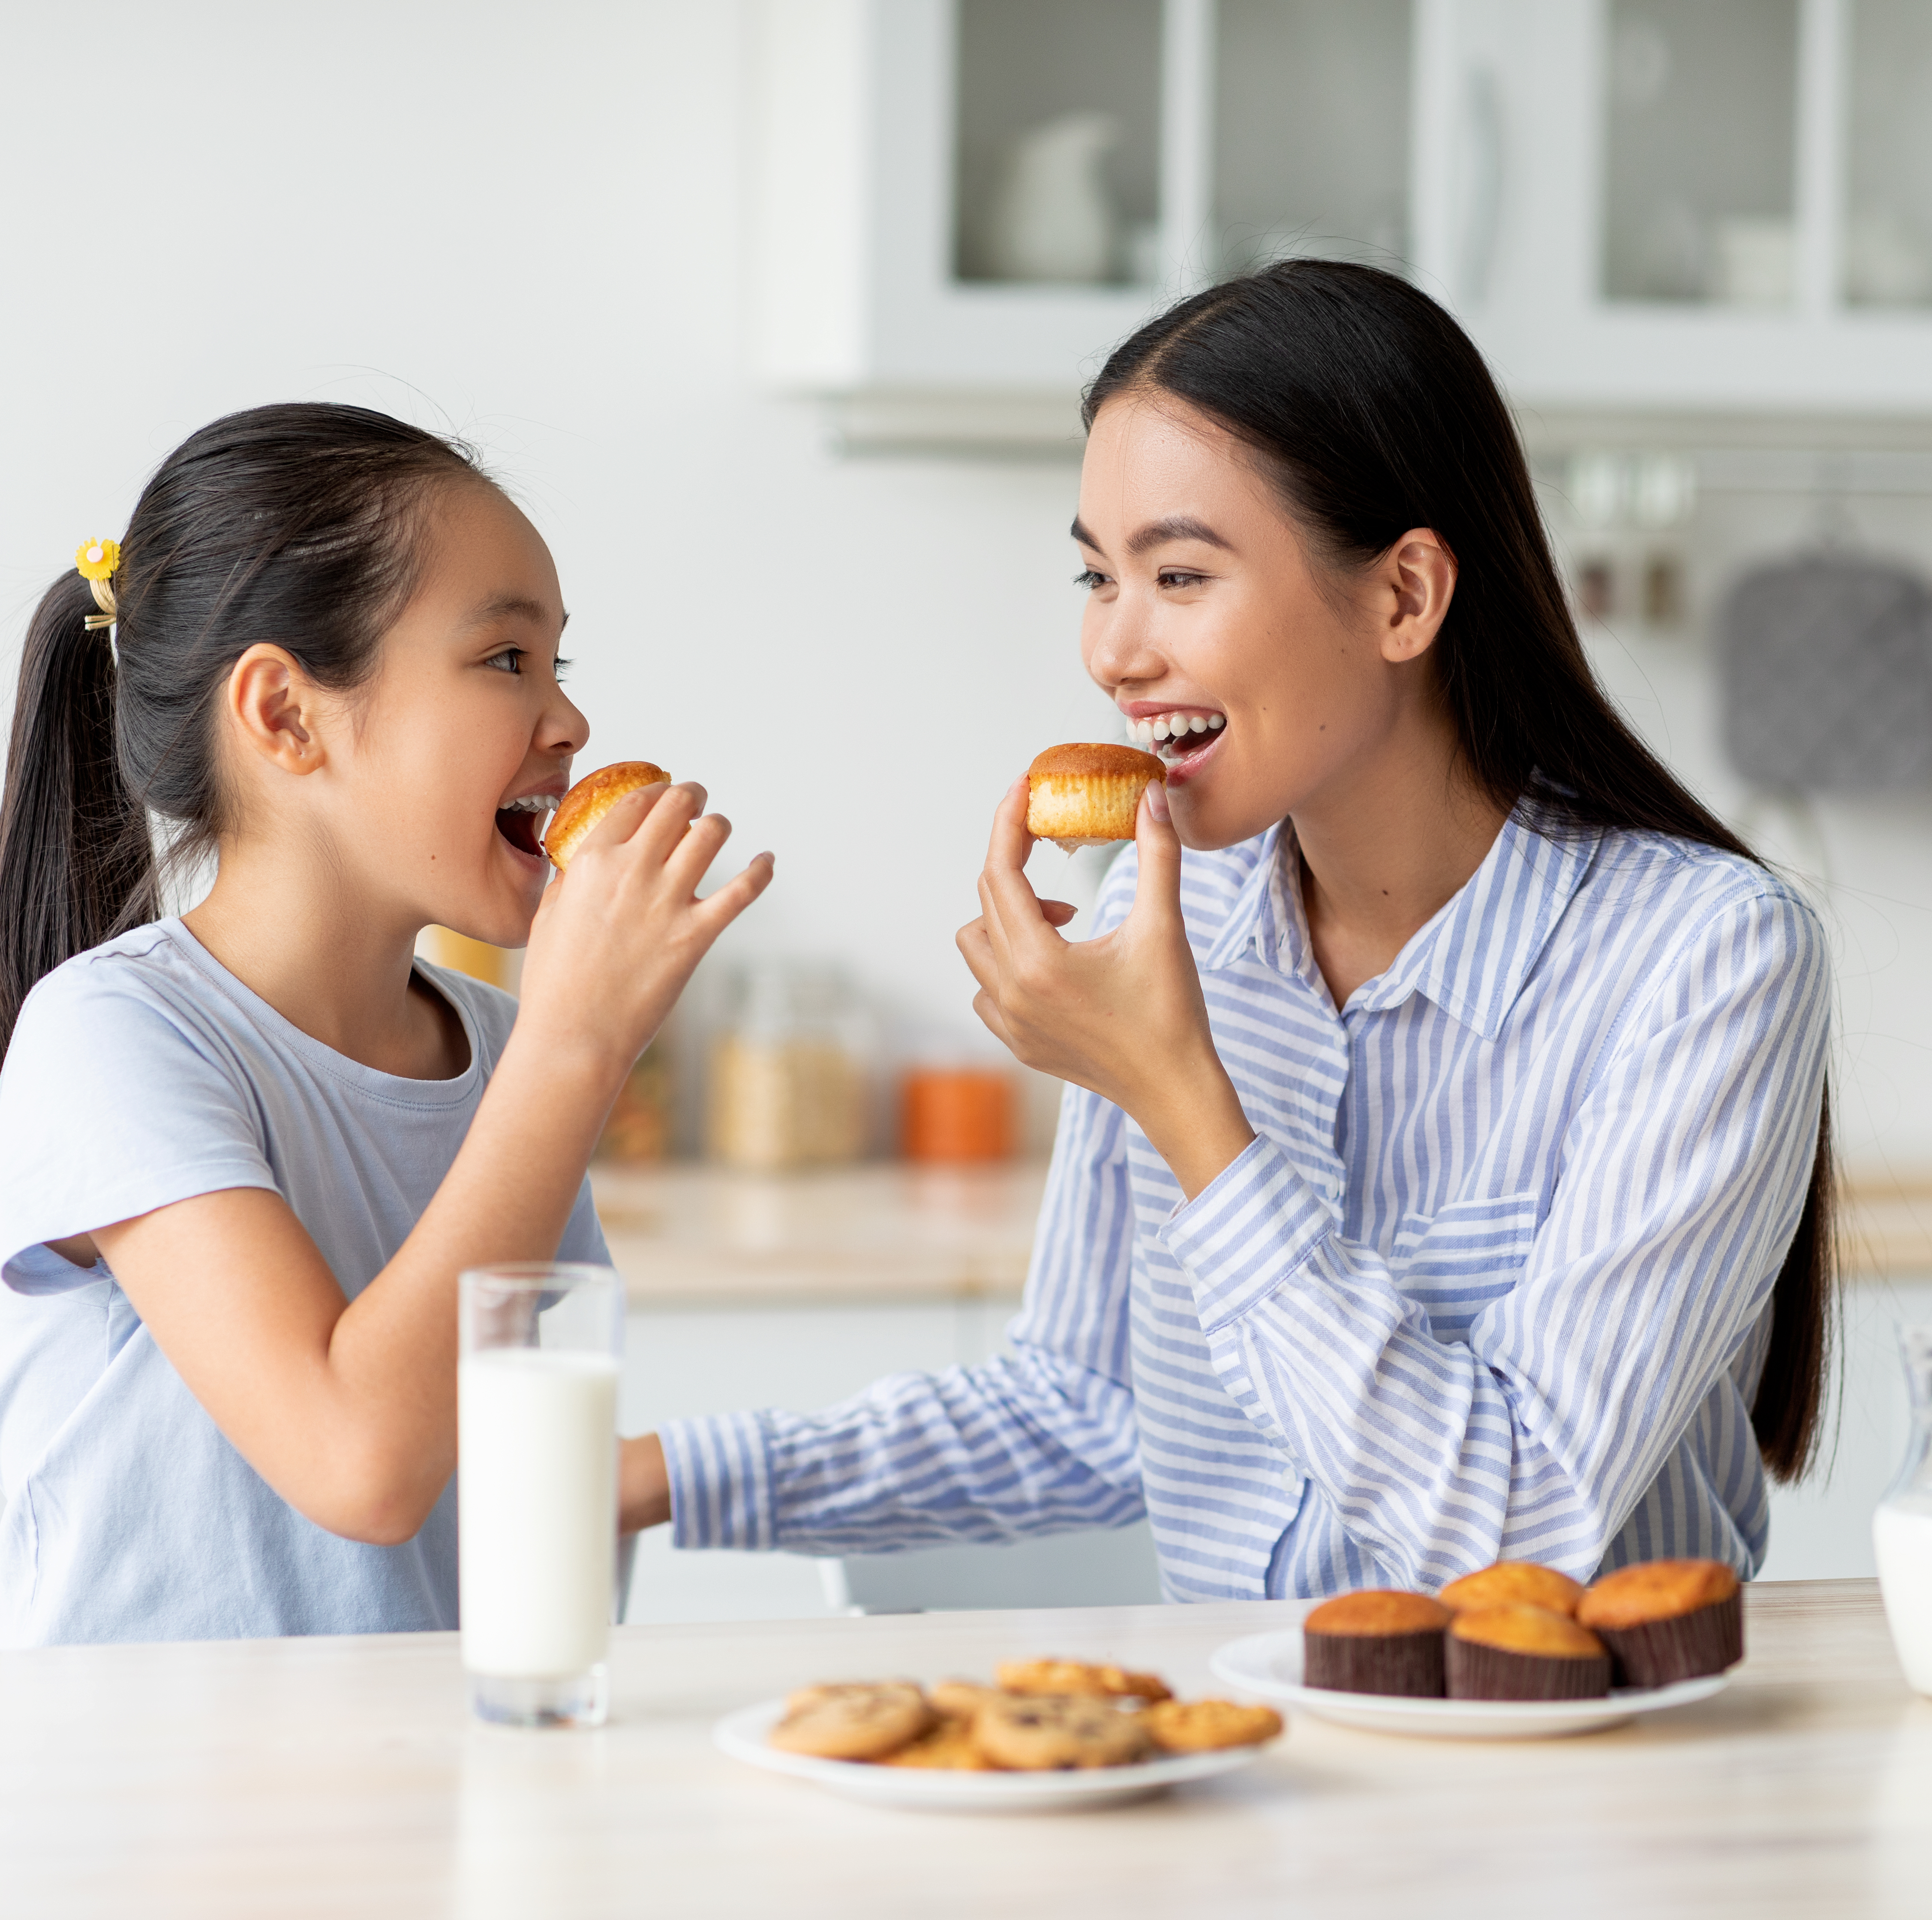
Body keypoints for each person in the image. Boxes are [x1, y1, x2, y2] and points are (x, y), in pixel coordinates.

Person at [619, 263, 1833, 1596]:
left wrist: (1181, 1098)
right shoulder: (1172, 918)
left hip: (1577, 1769)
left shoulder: (1709, 959)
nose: (1112, 653)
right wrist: (657, 1477)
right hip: (1256, 1755)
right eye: (1098, 578)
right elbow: (1088, 1406)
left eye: (1179, 575)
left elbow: (1520, 1530)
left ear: (1404, 599)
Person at [0, 403, 767, 1645]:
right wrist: (580, 1044)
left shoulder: (502, 1048)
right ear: (285, 715)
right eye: (507, 661)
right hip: (150, 1814)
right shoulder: (112, 1038)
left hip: (434, 1790)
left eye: (562, 666)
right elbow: (362, 1467)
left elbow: (534, 1489)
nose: (570, 723)